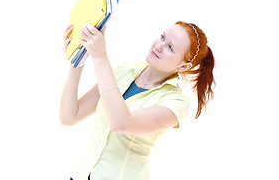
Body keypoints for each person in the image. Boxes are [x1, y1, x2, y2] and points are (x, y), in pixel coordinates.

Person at [60, 21, 215, 180]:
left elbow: (120, 123)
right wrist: (77, 61)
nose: (159, 46)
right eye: (162, 37)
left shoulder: (176, 102)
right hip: (79, 175)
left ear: (183, 67)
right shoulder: (121, 74)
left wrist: (100, 57)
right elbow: (70, 116)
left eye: (170, 47)